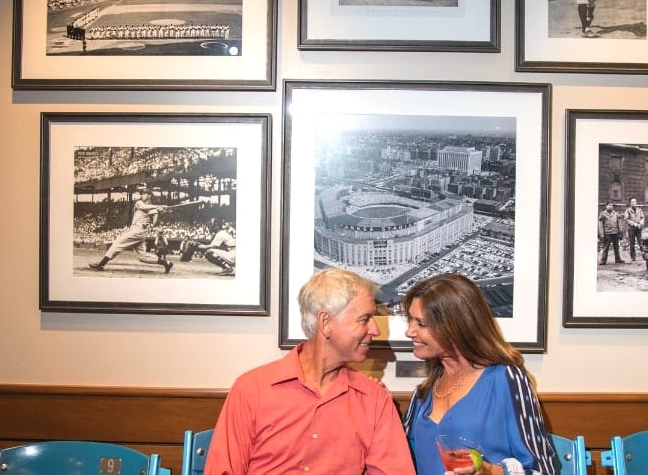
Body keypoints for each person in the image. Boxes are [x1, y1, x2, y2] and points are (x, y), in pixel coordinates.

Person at [205, 268, 414, 475]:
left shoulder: (374, 399)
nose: (375, 330)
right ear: (325, 322)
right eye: (364, 319)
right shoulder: (252, 389)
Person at [401, 273, 560, 475]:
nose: (409, 332)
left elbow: (544, 471)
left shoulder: (506, 379)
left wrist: (490, 472)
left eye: (421, 324)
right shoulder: (422, 395)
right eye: (411, 321)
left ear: (455, 326)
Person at [88, 192, 171, 272]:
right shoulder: (139, 203)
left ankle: (101, 265)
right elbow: (144, 207)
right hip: (138, 231)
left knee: (118, 243)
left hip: (138, 230)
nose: (142, 195)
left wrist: (160, 211)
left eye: (144, 194)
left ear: (149, 195)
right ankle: (167, 263)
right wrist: (159, 206)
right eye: (142, 194)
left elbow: (154, 222)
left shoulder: (153, 209)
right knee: (143, 256)